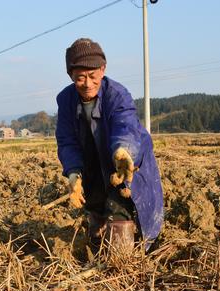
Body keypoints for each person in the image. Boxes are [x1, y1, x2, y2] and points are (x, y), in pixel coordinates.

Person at [55, 37, 163, 251]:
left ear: (103, 70)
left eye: (93, 76)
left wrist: (124, 150)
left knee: (121, 203)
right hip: (92, 159)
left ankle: (122, 260)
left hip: (123, 161)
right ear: (70, 75)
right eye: (80, 78)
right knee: (94, 200)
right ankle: (96, 244)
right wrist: (73, 171)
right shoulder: (65, 100)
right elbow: (67, 140)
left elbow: (126, 125)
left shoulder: (117, 95)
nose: (87, 84)